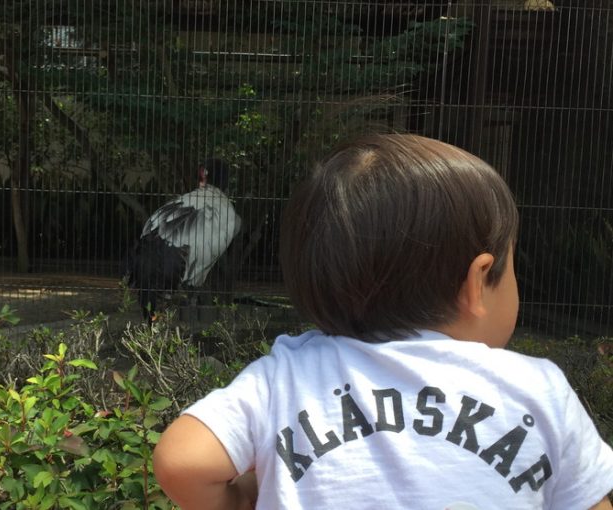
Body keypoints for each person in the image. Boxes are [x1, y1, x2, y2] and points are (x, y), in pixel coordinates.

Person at [152, 134, 613, 510]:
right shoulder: (537, 390)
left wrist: (241, 499)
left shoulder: (287, 376)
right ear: (478, 282)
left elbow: (181, 461)